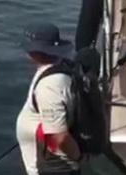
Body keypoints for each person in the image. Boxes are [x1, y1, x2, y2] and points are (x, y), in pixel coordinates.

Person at [16, 23, 81, 174]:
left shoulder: (50, 87)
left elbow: (59, 136)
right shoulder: (60, 66)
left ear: (37, 52)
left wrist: (77, 157)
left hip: (53, 167)